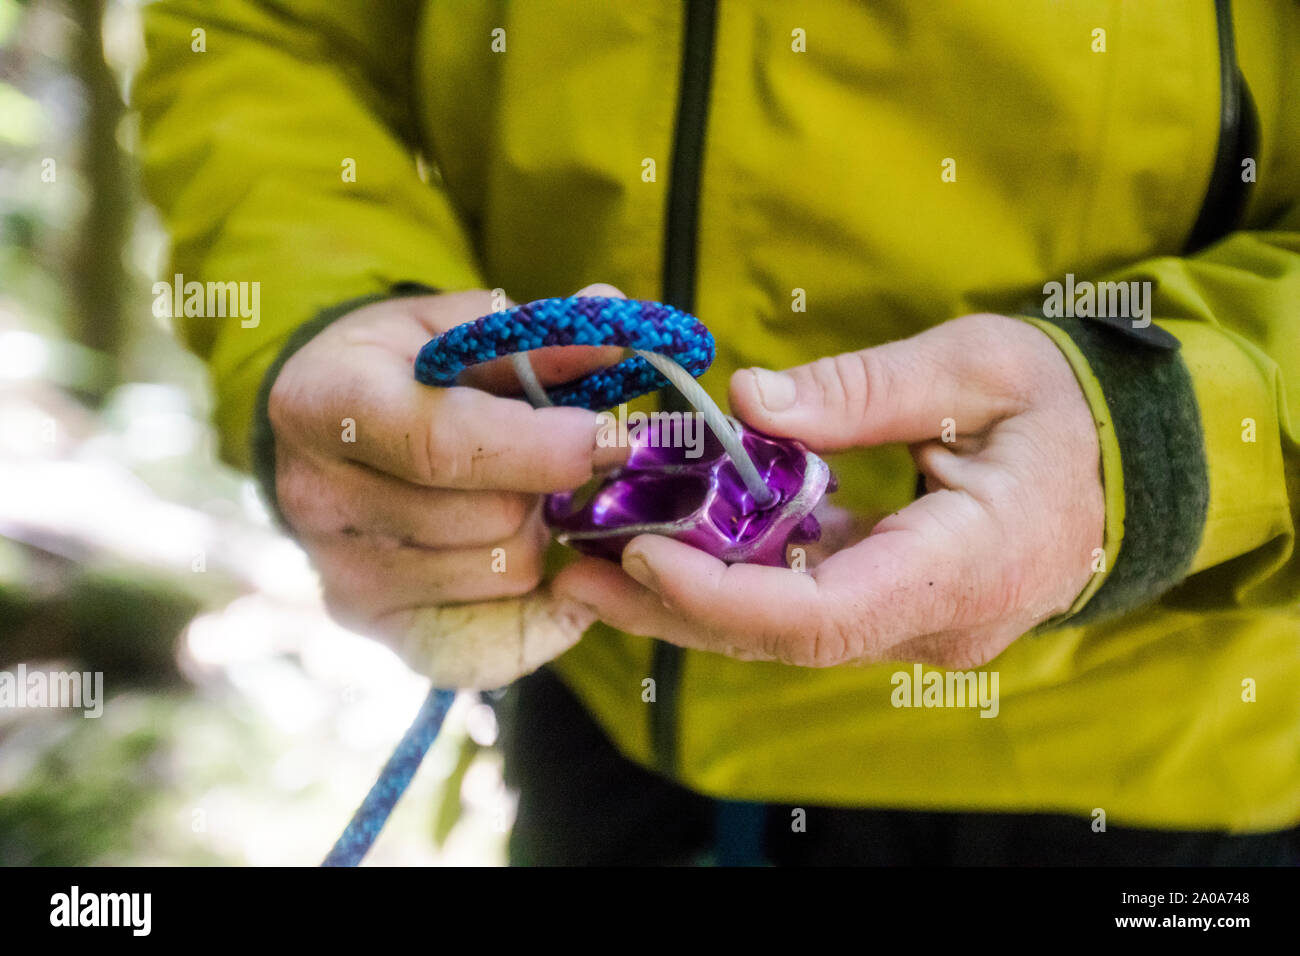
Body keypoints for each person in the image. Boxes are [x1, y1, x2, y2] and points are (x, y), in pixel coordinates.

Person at [134, 0, 1300, 865]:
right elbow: (263, 29)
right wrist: (331, 318)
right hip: (589, 699)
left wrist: (1163, 435)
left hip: (1158, 783)